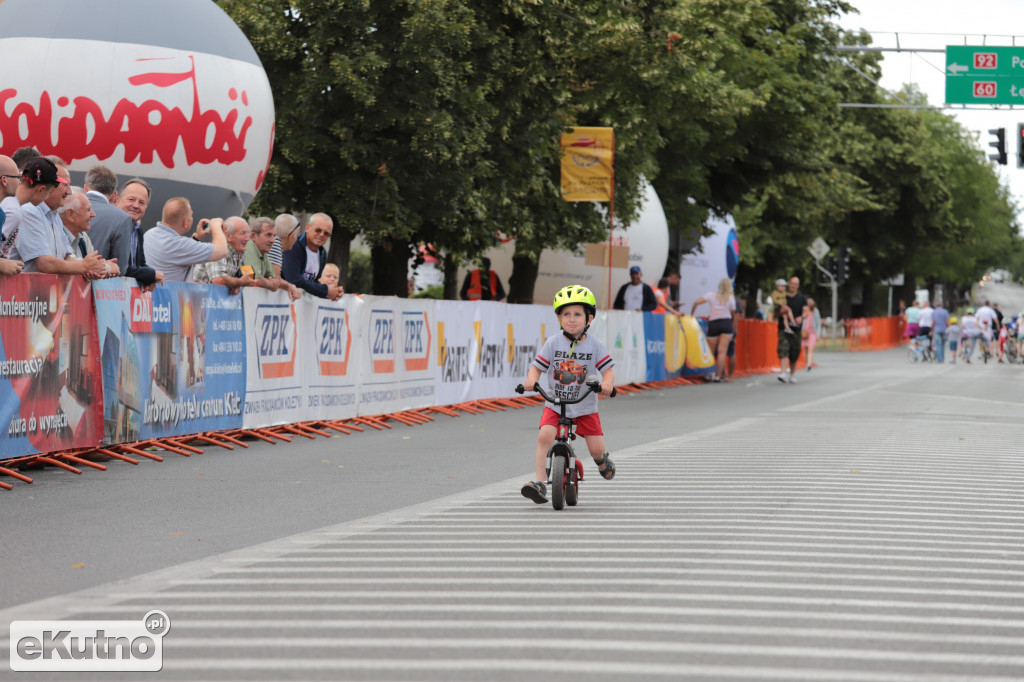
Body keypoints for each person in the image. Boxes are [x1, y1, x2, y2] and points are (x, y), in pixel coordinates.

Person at [520, 285, 616, 504]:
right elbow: (536, 368)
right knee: (545, 436)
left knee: (596, 449)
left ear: (589, 318)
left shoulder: (595, 345)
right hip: (555, 403)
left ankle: (601, 461)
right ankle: (540, 483)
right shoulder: (553, 342)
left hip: (584, 406)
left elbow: (607, 372)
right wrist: (531, 380)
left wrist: (607, 384)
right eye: (566, 314)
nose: (572, 319)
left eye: (578, 314)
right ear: (559, 317)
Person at [9, 157, 107, 277]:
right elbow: (45, 264)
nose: (69, 191)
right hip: (22, 294)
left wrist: (89, 270)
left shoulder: (54, 216)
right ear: (47, 185)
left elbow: (66, 257)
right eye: (65, 185)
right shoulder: (29, 211)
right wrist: (85, 266)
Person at [83, 167, 159, 288]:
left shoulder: (138, 230)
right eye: (131, 199)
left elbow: (140, 263)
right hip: (100, 290)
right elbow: (122, 268)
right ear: (117, 199)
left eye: (141, 202)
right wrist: (152, 274)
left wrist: (149, 279)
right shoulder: (117, 220)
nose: (135, 205)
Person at [143, 197, 227, 282]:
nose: (192, 218)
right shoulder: (178, 244)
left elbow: (182, 252)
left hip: (148, 293)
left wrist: (197, 237)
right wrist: (216, 226)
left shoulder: (149, 234)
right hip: (169, 294)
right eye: (191, 215)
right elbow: (221, 251)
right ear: (185, 223)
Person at [281, 212, 343, 300]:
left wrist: (334, 292)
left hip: (299, 305)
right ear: (307, 228)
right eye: (318, 230)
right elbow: (294, 279)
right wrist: (326, 290)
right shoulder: (293, 245)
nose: (321, 235)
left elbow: (313, 284)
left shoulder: (322, 253)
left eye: (326, 233)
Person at [60, 191, 120, 277]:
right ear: (70, 214)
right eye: (88, 210)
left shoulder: (83, 237)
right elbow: (82, 266)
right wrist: (108, 268)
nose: (93, 214)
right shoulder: (58, 235)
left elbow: (93, 266)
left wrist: (103, 267)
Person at [191, 216, 255, 295]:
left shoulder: (239, 254)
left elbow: (229, 280)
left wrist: (236, 285)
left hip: (210, 301)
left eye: (248, 233)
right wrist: (240, 282)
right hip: (198, 301)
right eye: (243, 233)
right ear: (228, 236)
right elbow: (218, 279)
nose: (247, 238)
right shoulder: (218, 251)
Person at [243, 215, 301, 299]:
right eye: (268, 235)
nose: (273, 240)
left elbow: (274, 280)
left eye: (274, 235)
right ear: (253, 236)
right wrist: (271, 284)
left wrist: (286, 285)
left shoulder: (264, 252)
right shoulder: (249, 247)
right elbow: (253, 279)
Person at [691, 277, 737, 382]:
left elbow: (696, 302)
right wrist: (733, 327)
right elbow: (734, 312)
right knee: (722, 352)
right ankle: (718, 375)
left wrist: (692, 314)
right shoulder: (730, 298)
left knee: (711, 351)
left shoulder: (711, 295)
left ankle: (708, 374)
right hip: (726, 323)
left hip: (714, 323)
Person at [776, 276, 809, 384]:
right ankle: (783, 373)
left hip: (796, 330)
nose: (793, 285)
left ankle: (792, 374)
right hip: (784, 329)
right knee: (783, 349)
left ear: (798, 286)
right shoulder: (782, 297)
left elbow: (806, 311)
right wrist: (781, 311)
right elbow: (776, 311)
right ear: (788, 284)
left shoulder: (801, 298)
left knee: (794, 352)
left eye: (795, 284)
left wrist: (801, 317)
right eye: (791, 283)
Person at [0, 155, 25, 276]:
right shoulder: (10, 211)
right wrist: (2, 264)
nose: (20, 182)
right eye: (18, 177)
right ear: (4, 180)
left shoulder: (2, 213)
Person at [270, 213, 301, 278]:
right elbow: (274, 280)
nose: (297, 239)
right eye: (297, 235)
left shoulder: (271, 243)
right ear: (292, 236)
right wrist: (290, 287)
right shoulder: (275, 248)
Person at [802, 297, 821, 370]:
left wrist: (818, 334)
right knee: (806, 349)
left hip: (812, 333)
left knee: (811, 348)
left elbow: (818, 323)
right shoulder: (804, 311)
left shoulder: (816, 311)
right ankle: (807, 363)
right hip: (804, 333)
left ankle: (809, 364)